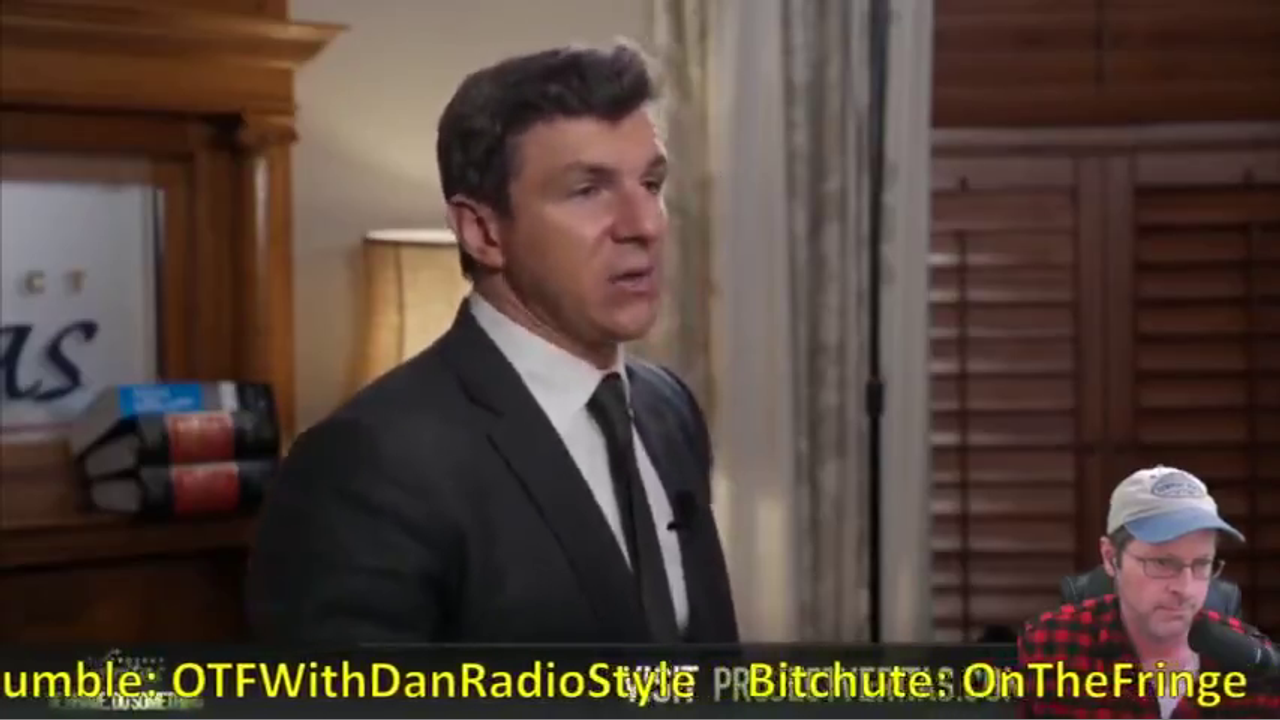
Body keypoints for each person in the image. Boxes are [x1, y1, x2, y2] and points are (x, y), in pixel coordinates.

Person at [245, 40, 739, 644]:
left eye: (652, 183)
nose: (644, 225)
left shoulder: (668, 409)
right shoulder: (366, 464)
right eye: (588, 190)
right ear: (482, 231)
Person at [1016, 466, 1279, 718]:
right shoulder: (1049, 647)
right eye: (1162, 563)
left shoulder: (1254, 663)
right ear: (1110, 558)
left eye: (1202, 564)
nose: (1185, 588)